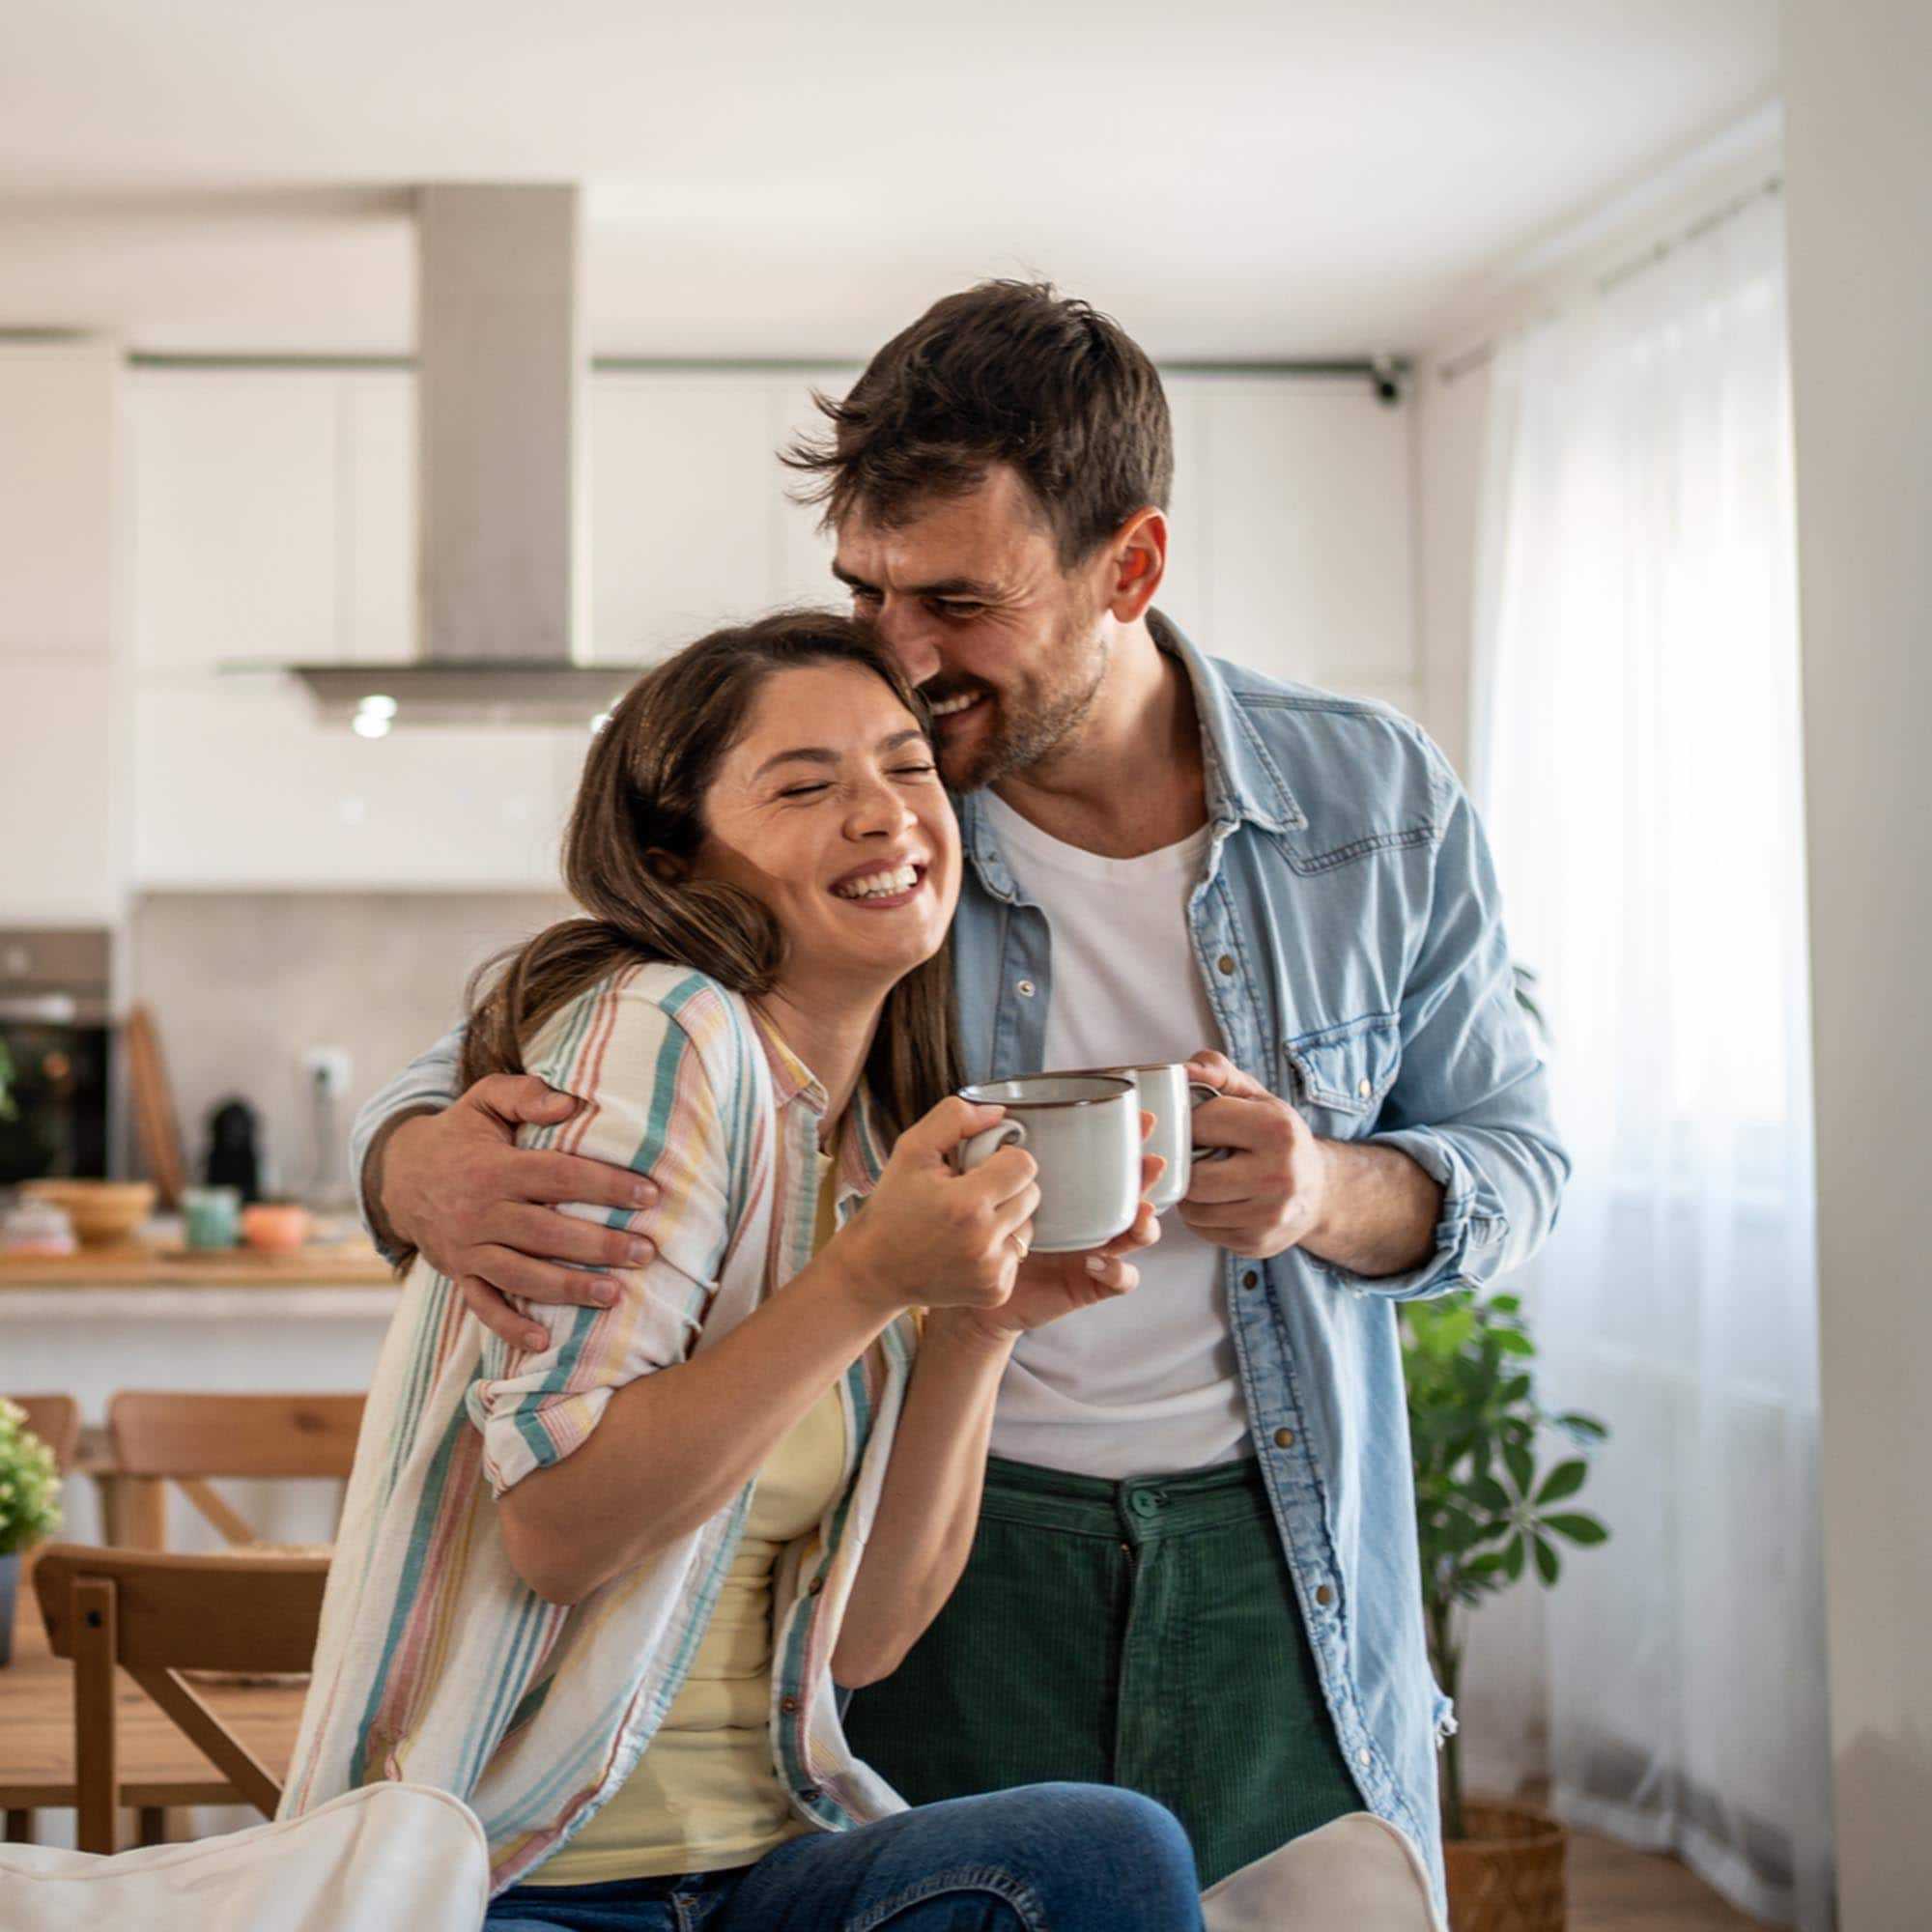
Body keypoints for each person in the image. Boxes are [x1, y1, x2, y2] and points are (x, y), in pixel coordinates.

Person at [351, 284, 1569, 1906]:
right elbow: (514, 1047)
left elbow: (1518, 1158)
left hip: (1276, 1546)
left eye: (957, 600)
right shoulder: (876, 817)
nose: (902, 659)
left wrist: (1321, 1193)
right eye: (864, 588)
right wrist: (413, 1168)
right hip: (937, 1541)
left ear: (1128, 566)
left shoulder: (1371, 800)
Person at [284, 611, 1203, 1932]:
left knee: (1104, 1856)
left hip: (764, 1871)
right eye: (807, 785)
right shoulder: (664, 1029)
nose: (885, 814)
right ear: (675, 859)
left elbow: (867, 1640)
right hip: (515, 1880)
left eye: (905, 767)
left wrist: (977, 1329)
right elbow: (559, 1530)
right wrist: (868, 1283)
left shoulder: (872, 1135)